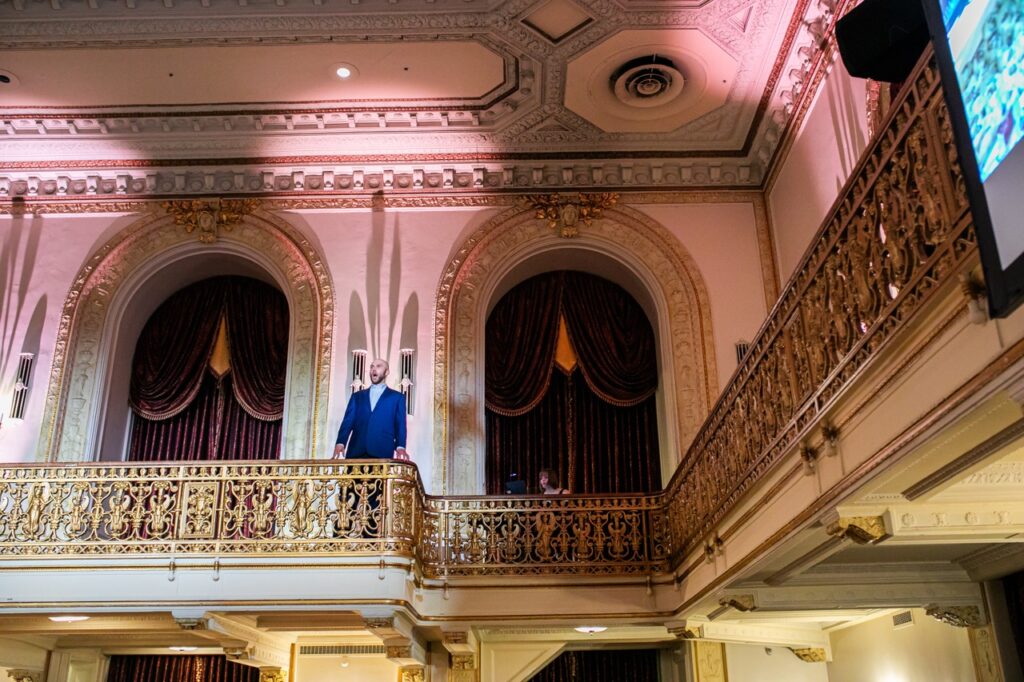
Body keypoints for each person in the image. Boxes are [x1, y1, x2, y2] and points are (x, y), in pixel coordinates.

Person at [333, 358, 409, 460]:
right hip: (356, 452)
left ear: (387, 372)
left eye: (378, 366)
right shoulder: (357, 396)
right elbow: (347, 422)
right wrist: (340, 443)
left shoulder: (397, 397)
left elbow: (400, 425)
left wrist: (400, 446)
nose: (374, 369)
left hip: (382, 453)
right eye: (372, 366)